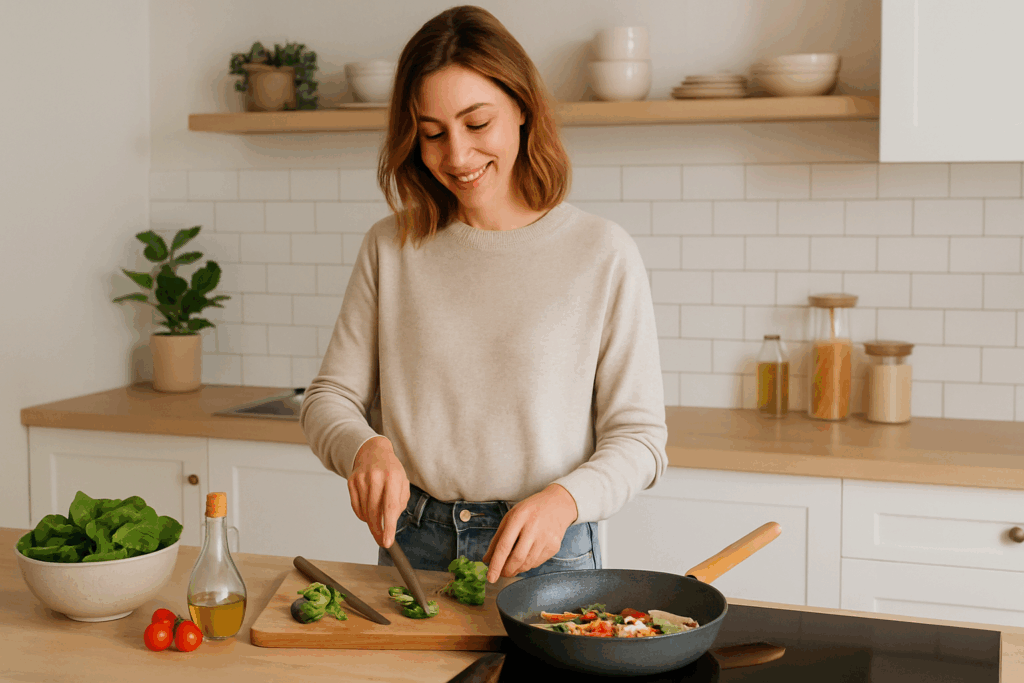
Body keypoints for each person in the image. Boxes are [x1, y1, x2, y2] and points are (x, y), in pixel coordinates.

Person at [300, 5, 667, 584]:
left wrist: (567, 500)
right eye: (432, 134)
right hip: (413, 546)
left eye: (477, 124)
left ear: (521, 107)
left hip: (550, 550)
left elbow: (641, 440)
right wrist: (364, 448)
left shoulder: (602, 252)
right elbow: (329, 398)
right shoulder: (392, 247)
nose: (457, 156)